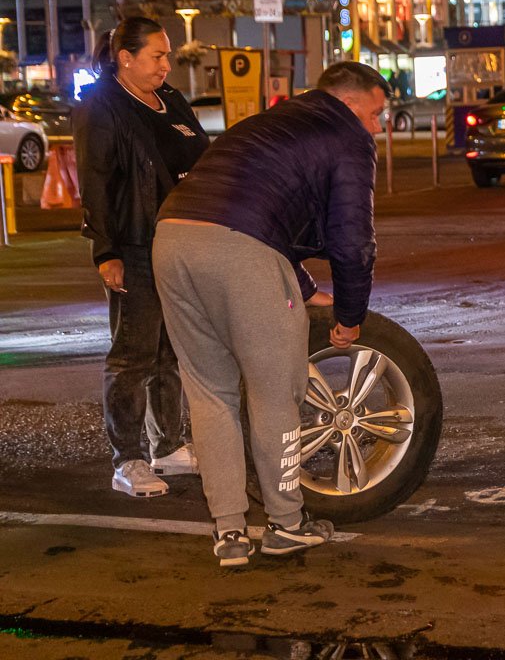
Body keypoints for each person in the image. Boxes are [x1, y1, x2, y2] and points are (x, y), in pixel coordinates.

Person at [152, 61, 386, 567]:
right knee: (274, 391)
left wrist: (300, 287)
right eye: (375, 114)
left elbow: (261, 202)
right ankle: (286, 524)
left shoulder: (273, 121)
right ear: (350, 105)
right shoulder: (347, 135)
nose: (377, 127)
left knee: (210, 394)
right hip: (239, 251)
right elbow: (352, 241)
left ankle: (230, 533)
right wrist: (350, 313)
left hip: (172, 238)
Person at [72, 16, 209, 498]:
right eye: (157, 56)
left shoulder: (170, 99)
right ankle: (127, 459)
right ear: (125, 58)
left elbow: (199, 154)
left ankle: (167, 446)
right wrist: (105, 251)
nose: (166, 65)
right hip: (133, 245)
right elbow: (95, 183)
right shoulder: (101, 106)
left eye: (168, 55)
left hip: (178, 244)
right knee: (132, 355)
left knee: (170, 353)